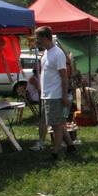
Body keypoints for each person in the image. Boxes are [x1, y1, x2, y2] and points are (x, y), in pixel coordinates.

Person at [34, 26, 76, 160]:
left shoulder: (58, 54)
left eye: (38, 38)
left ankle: (55, 152)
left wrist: (64, 96)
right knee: (58, 122)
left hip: (55, 95)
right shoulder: (46, 53)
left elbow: (64, 77)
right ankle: (70, 145)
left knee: (56, 125)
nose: (36, 41)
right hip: (46, 94)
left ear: (45, 38)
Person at [27, 65, 48, 152]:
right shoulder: (33, 78)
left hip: (38, 93)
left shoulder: (37, 77)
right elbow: (39, 88)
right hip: (34, 96)